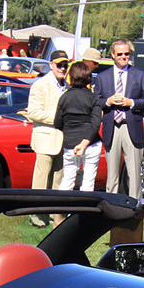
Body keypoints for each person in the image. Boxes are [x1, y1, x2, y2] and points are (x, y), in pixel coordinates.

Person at [93, 39, 144, 200]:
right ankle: (111, 205)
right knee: (112, 173)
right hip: (111, 127)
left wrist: (131, 103)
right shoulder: (102, 77)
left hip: (131, 126)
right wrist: (108, 101)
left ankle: (135, 206)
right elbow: (95, 101)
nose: (123, 57)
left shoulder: (139, 75)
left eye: (126, 54)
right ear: (113, 55)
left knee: (134, 172)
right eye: (119, 54)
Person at [54, 61, 102, 191]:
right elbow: (96, 122)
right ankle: (84, 210)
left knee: (67, 181)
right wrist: (85, 142)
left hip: (70, 143)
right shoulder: (93, 98)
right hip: (91, 143)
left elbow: (57, 122)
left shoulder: (64, 97)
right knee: (88, 182)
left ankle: (61, 209)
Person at [27, 51, 69, 192]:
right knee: (41, 183)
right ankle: (35, 214)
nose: (62, 68)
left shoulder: (68, 86)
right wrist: (58, 119)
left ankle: (53, 214)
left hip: (64, 141)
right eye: (59, 65)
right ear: (51, 65)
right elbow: (33, 112)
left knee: (58, 182)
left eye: (65, 65)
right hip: (45, 141)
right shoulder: (40, 85)